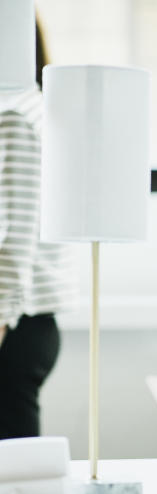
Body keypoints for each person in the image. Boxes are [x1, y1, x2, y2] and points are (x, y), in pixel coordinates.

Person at [0, 21, 73, 439]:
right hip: (20, 320)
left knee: (16, 476)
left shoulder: (14, 116)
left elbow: (14, 241)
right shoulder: (28, 107)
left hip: (17, 324)